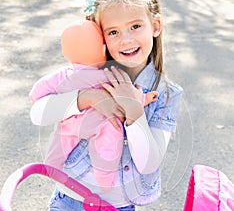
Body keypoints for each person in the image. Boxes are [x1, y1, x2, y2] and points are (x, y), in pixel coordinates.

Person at [30, 0, 183, 211]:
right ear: (100, 37)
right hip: (66, 206)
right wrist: (82, 99)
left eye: (135, 26)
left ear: (155, 25)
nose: (125, 39)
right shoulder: (86, 76)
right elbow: (38, 113)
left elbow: (149, 161)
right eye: (113, 32)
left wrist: (133, 112)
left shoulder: (166, 94)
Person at [30, 20, 158, 190]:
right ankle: (105, 180)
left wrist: (36, 96)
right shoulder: (109, 74)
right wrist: (145, 99)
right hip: (101, 124)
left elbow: (39, 91)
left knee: (60, 141)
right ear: (102, 49)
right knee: (109, 143)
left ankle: (51, 167)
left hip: (69, 124)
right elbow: (127, 93)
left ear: (65, 53)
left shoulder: (62, 75)